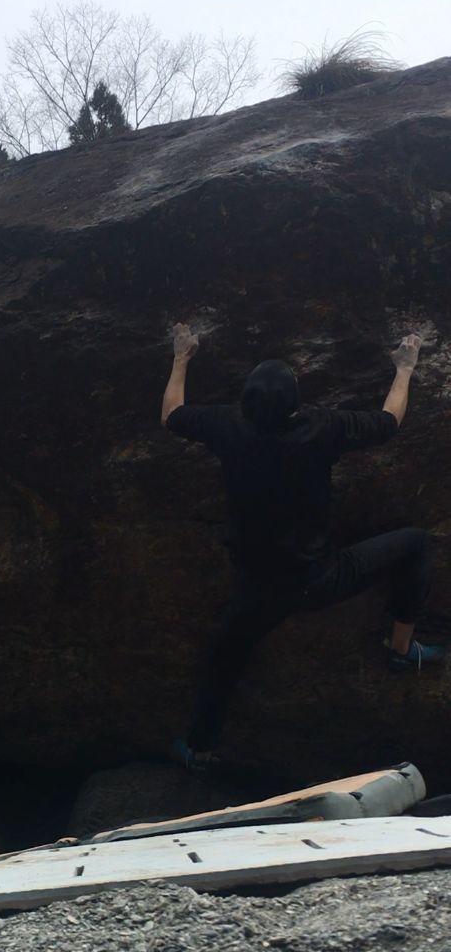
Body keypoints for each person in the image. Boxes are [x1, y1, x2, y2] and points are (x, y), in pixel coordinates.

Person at [162, 323, 445, 771]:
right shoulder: (322, 428)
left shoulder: (228, 427)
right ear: (295, 405)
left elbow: (172, 415)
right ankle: (400, 649)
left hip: (258, 588)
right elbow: (389, 421)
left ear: (246, 403)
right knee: (416, 544)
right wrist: (405, 368)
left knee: (224, 655)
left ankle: (200, 748)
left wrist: (181, 356)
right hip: (319, 578)